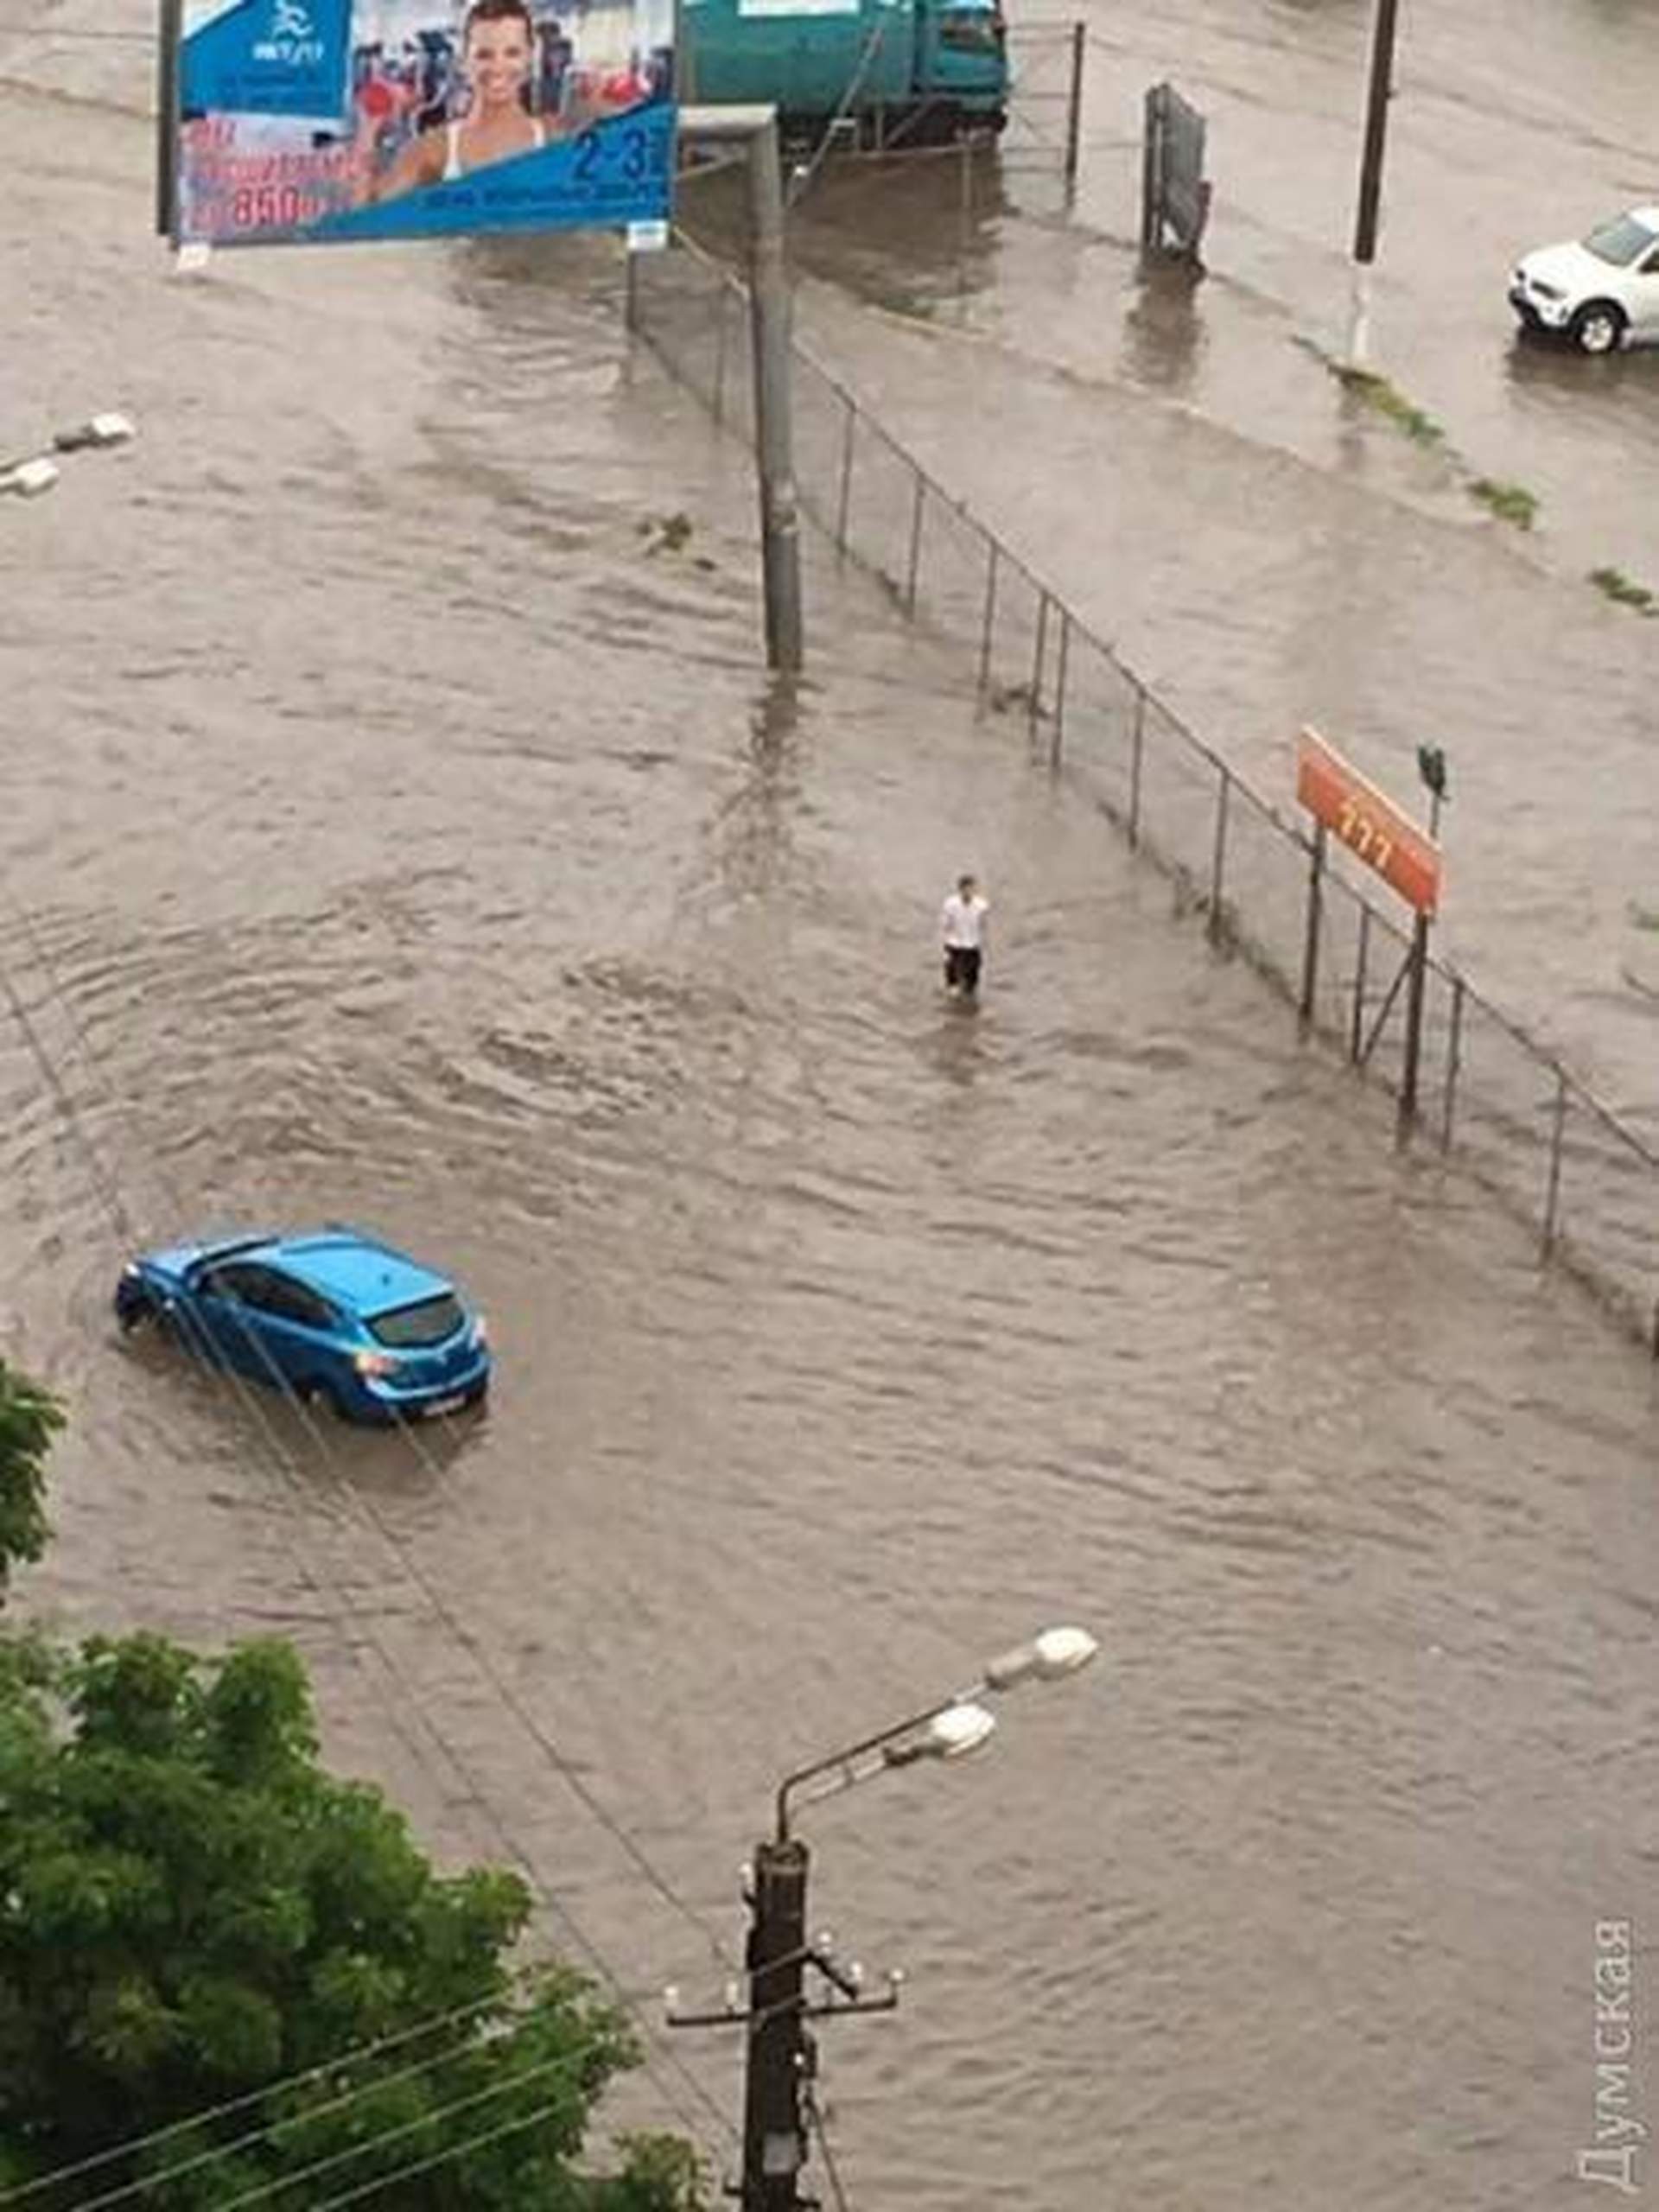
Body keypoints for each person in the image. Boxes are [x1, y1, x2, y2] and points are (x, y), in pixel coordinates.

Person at [359, 0, 550, 203]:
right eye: (484, 55)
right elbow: (368, 219)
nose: (498, 67)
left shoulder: (555, 141)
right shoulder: (435, 149)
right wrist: (368, 134)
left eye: (512, 53)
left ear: (529, 57)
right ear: (464, 61)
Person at [940, 873, 990, 999]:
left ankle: (970, 999)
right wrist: (946, 945)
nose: (969, 892)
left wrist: (983, 942)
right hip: (954, 943)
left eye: (972, 888)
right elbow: (945, 924)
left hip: (973, 944)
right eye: (966, 889)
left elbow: (983, 925)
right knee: (952, 978)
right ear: (960, 889)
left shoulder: (982, 906)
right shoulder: (950, 904)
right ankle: (953, 997)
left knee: (972, 978)